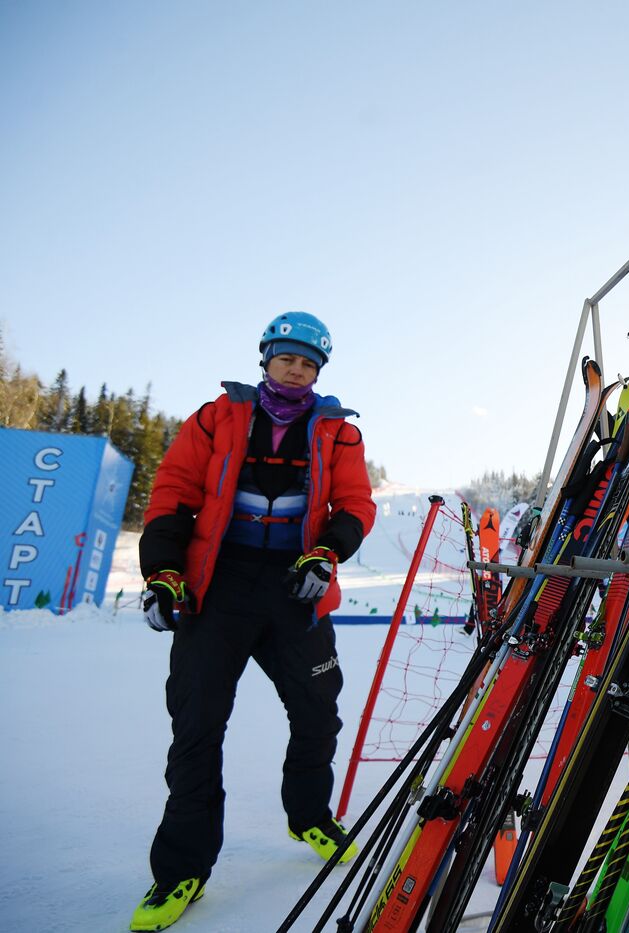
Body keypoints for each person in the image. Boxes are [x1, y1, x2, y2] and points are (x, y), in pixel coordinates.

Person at [130, 312, 377, 932]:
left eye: (309, 364)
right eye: (287, 358)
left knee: (318, 712)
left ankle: (310, 816)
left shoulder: (337, 433)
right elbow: (174, 492)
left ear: (319, 372)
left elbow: (354, 504)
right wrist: (162, 570)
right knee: (197, 726)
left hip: (295, 588)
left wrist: (326, 553)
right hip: (218, 587)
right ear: (265, 359)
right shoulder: (216, 417)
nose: (297, 371)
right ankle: (181, 869)